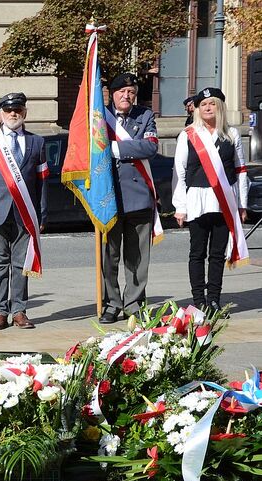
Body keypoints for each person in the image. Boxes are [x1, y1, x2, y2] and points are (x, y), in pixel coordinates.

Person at [0, 92, 47, 331]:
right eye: (8, 111)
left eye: (18, 110)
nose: (13, 114)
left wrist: (42, 215)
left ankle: (19, 311)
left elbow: (42, 181)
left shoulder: (37, 142)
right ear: (1, 114)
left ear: (25, 113)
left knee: (21, 264)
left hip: (25, 214)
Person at [172, 87, 248, 314]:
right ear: (197, 109)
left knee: (217, 254)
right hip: (197, 200)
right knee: (197, 253)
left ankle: (214, 298)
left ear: (220, 107)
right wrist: (180, 207)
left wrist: (242, 204)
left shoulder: (231, 134)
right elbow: (179, 172)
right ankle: (198, 299)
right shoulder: (188, 134)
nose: (207, 107)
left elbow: (240, 170)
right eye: (203, 104)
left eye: (212, 104)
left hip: (224, 201)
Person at [99, 73, 160, 324]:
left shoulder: (145, 116)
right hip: (108, 197)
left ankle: (134, 303)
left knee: (137, 257)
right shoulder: (99, 117)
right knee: (108, 256)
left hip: (138, 197)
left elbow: (150, 147)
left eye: (131, 92)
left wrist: (113, 149)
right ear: (112, 94)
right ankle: (112, 303)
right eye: (122, 91)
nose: (127, 96)